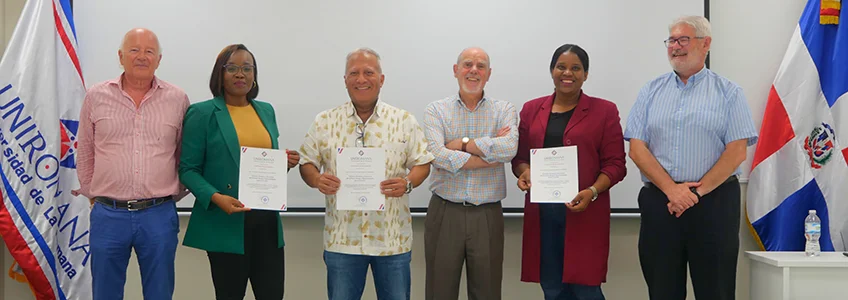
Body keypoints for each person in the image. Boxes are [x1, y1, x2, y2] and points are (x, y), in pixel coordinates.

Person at [624, 16, 758, 300]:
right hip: (661, 202)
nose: (675, 46)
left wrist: (695, 193)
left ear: (705, 43)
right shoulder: (650, 91)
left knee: (716, 291)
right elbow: (637, 149)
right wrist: (673, 190)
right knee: (662, 290)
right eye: (671, 40)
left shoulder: (729, 93)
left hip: (714, 203)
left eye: (682, 39)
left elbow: (736, 152)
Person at [298, 47, 434, 300]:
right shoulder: (324, 121)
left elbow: (422, 163)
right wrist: (316, 179)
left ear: (381, 79)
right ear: (345, 80)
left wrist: (407, 183)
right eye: (354, 73)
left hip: (392, 240)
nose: (361, 79)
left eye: (368, 72)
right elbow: (306, 162)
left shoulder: (404, 120)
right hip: (342, 240)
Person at [75, 28, 189, 300]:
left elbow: (186, 155)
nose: (142, 57)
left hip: (158, 214)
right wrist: (96, 193)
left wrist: (173, 193)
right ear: (120, 56)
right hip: (108, 215)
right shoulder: (96, 96)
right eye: (134, 50)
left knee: (159, 292)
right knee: (105, 292)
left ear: (159, 59)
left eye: (149, 51)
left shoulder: (178, 99)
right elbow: (85, 151)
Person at [178, 44, 296, 300]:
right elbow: (188, 170)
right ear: (219, 74)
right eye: (232, 68)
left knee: (273, 294)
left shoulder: (266, 110)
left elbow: (258, 165)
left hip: (266, 223)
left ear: (254, 75)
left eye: (247, 68)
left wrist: (282, 164)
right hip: (225, 222)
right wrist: (217, 197)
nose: (240, 74)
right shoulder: (202, 113)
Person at [511, 44, 627, 300]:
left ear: (586, 74)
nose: (568, 73)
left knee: (586, 290)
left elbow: (616, 164)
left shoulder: (604, 111)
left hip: (584, 212)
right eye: (561, 67)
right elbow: (519, 158)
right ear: (552, 71)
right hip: (543, 215)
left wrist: (592, 191)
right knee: (552, 288)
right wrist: (525, 171)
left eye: (576, 68)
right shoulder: (531, 109)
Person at [421, 47, 518, 300]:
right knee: (439, 292)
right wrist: (489, 156)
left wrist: (460, 144)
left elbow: (508, 149)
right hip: (445, 212)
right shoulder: (436, 110)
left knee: (487, 292)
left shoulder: (504, 109)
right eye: (467, 64)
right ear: (456, 71)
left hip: (487, 214)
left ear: (489, 74)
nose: (473, 70)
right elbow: (436, 155)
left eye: (480, 66)